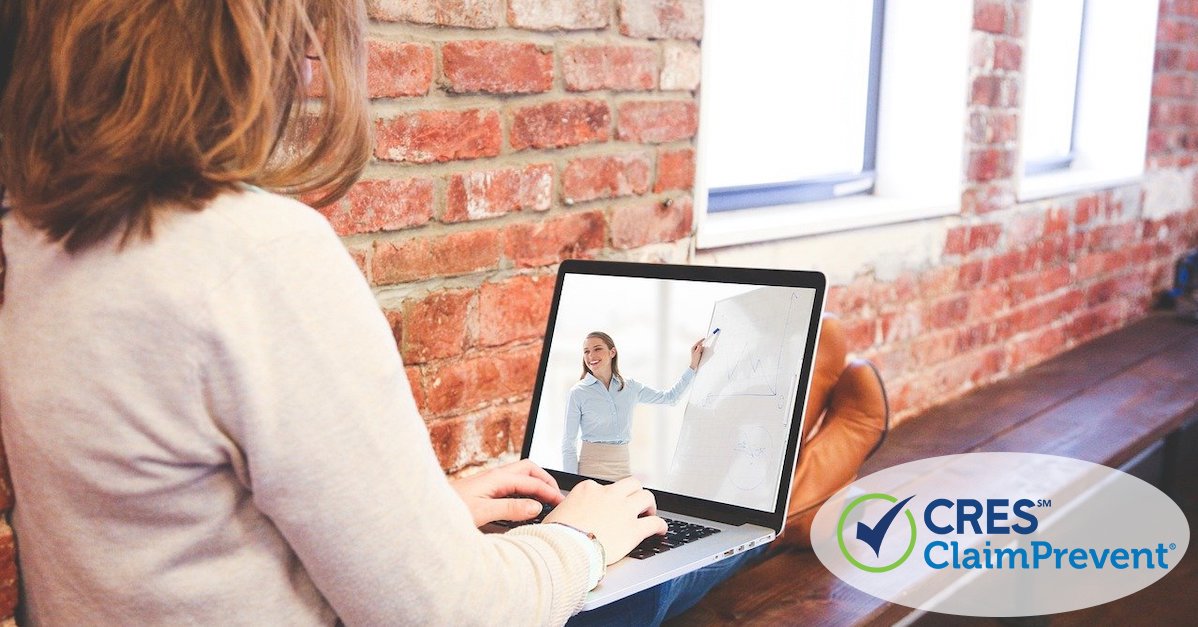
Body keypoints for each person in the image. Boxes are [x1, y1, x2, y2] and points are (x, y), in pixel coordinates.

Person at [0, 1, 887, 625]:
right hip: (535, 551)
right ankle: (797, 495)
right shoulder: (251, 257)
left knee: (635, 513)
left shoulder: (28, 244)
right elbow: (451, 614)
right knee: (636, 560)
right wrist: (577, 542)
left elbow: (174, 536)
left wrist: (420, 515)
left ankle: (780, 488)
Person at [562, 331, 705, 481]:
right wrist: (570, 482)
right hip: (590, 469)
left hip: (622, 468)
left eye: (597, 349)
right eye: (586, 351)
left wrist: (693, 366)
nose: (591, 356)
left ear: (612, 352)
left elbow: (670, 398)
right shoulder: (577, 393)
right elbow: (568, 443)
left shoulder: (630, 387)